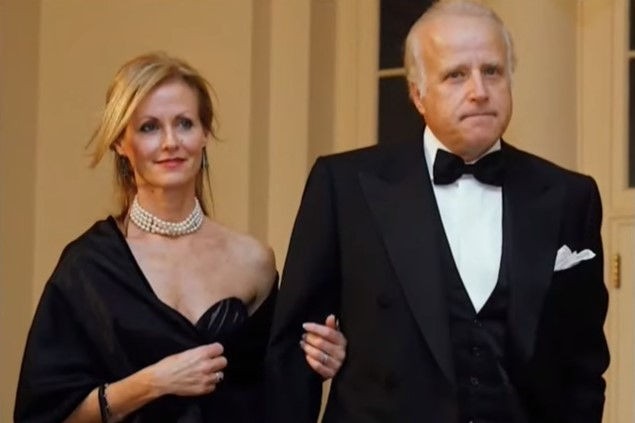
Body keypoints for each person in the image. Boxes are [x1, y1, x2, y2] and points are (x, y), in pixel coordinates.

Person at [266, 1, 609, 422]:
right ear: (418, 94)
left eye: (492, 71)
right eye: (456, 75)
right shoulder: (345, 187)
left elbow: (584, 365)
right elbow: (294, 352)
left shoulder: (569, 196)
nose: (479, 90)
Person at [14, 52, 347, 423]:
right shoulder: (87, 268)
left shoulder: (253, 261)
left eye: (185, 123)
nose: (170, 142)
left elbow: (277, 392)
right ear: (120, 142)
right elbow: (46, 415)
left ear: (205, 134)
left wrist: (320, 359)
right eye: (149, 127)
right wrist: (152, 382)